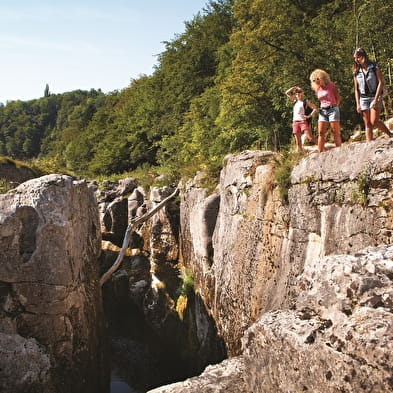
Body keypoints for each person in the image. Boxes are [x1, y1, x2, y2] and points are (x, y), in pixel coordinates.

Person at [352, 47, 392, 141]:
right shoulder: (356, 72)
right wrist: (358, 104)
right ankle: (369, 144)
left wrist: (376, 99)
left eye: (357, 57)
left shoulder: (374, 67)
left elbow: (381, 82)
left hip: (375, 96)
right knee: (367, 123)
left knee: (374, 121)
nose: (356, 60)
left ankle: (389, 134)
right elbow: (356, 89)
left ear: (363, 56)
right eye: (355, 58)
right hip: (363, 99)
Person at [309, 69, 342, 152]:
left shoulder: (331, 85)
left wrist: (334, 107)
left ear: (322, 77)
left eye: (317, 79)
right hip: (323, 111)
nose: (316, 81)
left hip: (332, 109)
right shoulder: (317, 89)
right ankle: (320, 151)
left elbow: (338, 98)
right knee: (321, 132)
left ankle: (339, 150)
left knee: (335, 132)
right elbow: (321, 100)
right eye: (313, 80)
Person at [285, 86, 317, 152]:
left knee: (310, 137)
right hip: (295, 122)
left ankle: (322, 147)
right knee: (298, 142)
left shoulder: (305, 101)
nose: (298, 94)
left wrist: (309, 116)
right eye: (296, 93)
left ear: (302, 93)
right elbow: (287, 93)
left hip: (303, 121)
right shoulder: (295, 101)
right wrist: (293, 88)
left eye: (299, 92)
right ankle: (300, 154)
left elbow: (315, 109)